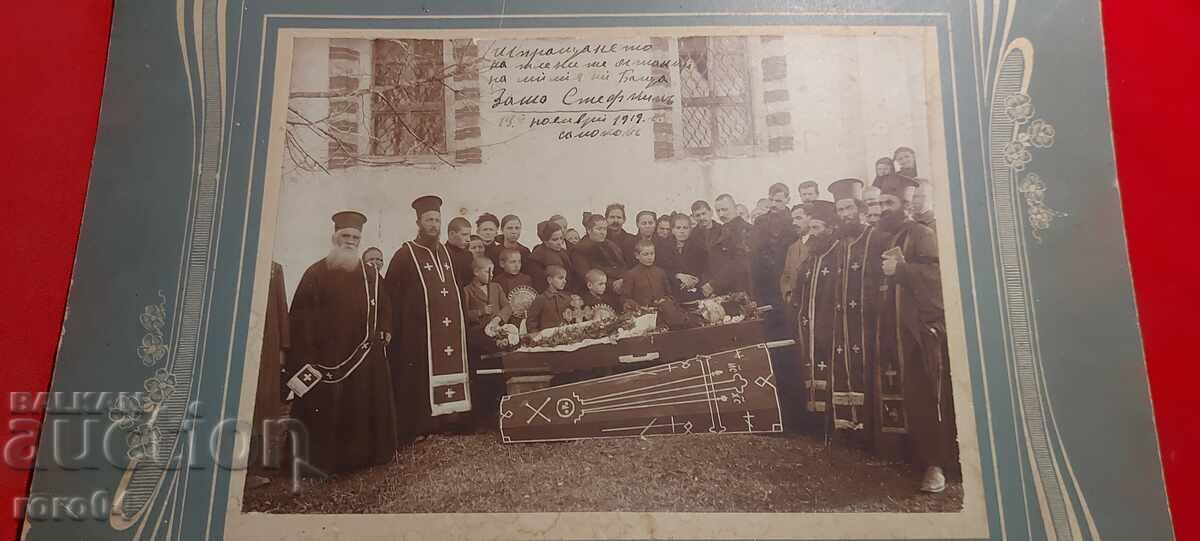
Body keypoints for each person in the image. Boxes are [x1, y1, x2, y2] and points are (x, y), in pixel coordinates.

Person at [286, 211, 396, 475]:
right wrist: (308, 352)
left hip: (362, 357)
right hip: (326, 355)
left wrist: (385, 329)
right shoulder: (315, 272)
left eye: (356, 237)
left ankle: (363, 456)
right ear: (335, 237)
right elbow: (300, 316)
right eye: (346, 236)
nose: (351, 241)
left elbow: (385, 309)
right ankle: (325, 461)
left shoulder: (370, 274)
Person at [874, 173, 954, 493]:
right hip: (898, 331)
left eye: (889, 203)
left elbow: (937, 277)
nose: (883, 209)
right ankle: (918, 458)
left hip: (922, 332)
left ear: (906, 205)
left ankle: (937, 466)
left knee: (928, 397)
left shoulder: (922, 233)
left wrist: (902, 270)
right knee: (910, 395)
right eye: (881, 203)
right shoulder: (894, 237)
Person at [792, 179, 883, 443]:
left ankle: (864, 431)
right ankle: (840, 429)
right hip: (836, 326)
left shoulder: (870, 239)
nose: (845, 215)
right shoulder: (832, 247)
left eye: (848, 209)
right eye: (841, 210)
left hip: (863, 323)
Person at [384, 196, 473, 443]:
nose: (433, 224)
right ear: (418, 222)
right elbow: (390, 293)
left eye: (437, 220)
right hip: (417, 331)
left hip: (448, 329)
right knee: (418, 374)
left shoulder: (446, 253)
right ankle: (422, 424)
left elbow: (457, 287)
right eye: (429, 220)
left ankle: (449, 419)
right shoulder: (405, 254)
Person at [247, 261, 289, 489]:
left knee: (265, 405)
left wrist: (283, 347)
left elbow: (281, 307)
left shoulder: (274, 268)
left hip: (268, 347)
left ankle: (262, 465)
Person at [460, 256, 511, 431]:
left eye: (492, 270)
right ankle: (482, 419)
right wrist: (481, 311)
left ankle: (500, 416)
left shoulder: (496, 287)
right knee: (482, 379)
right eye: (487, 270)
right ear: (476, 272)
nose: (491, 274)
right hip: (478, 339)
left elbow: (507, 307)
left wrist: (498, 318)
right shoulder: (466, 290)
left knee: (499, 375)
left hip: (497, 336)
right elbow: (463, 315)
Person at [751, 183, 798, 312]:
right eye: (771, 200)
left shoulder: (794, 220)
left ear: (787, 200)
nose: (773, 204)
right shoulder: (760, 221)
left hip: (787, 280)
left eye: (778, 201)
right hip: (765, 282)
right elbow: (755, 254)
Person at [703, 193, 752, 297]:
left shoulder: (745, 229)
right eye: (718, 211)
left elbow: (739, 263)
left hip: (740, 290)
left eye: (725, 210)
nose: (721, 214)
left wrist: (714, 284)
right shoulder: (719, 231)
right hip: (721, 291)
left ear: (734, 208)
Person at [572, 213, 627, 293]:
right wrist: (612, 284)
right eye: (599, 229)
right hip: (595, 292)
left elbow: (622, 265)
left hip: (619, 284)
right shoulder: (580, 250)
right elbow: (586, 276)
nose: (603, 232)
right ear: (589, 230)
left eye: (604, 229)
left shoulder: (610, 245)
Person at [657, 212, 706, 301]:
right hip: (672, 293)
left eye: (685, 228)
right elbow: (661, 270)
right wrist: (678, 275)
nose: (682, 231)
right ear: (672, 230)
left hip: (695, 292)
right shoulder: (664, 248)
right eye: (678, 228)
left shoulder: (699, 247)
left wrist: (697, 280)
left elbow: (705, 270)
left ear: (690, 229)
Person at [621, 238, 674, 309]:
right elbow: (625, 298)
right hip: (642, 313)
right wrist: (638, 306)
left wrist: (664, 300)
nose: (650, 257)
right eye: (645, 254)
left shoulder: (660, 272)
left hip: (662, 310)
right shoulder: (631, 274)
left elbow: (669, 294)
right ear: (637, 256)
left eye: (652, 254)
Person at [528, 220, 575, 293]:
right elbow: (540, 285)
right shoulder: (536, 257)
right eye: (555, 239)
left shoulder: (563, 253)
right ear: (545, 241)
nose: (559, 242)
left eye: (561, 238)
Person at [526, 265, 573, 334]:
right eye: (560, 278)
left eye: (565, 278)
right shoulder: (541, 299)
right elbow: (531, 323)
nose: (564, 281)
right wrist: (538, 337)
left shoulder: (566, 298)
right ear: (550, 280)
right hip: (547, 339)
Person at [778, 204, 809, 305]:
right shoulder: (792, 248)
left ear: (810, 218)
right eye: (793, 220)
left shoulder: (818, 245)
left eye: (799, 218)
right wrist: (787, 294)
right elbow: (786, 275)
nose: (794, 223)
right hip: (794, 305)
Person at [445, 217, 475, 289]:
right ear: (452, 234)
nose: (468, 239)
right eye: (464, 234)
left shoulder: (469, 255)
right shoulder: (441, 253)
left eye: (469, 235)